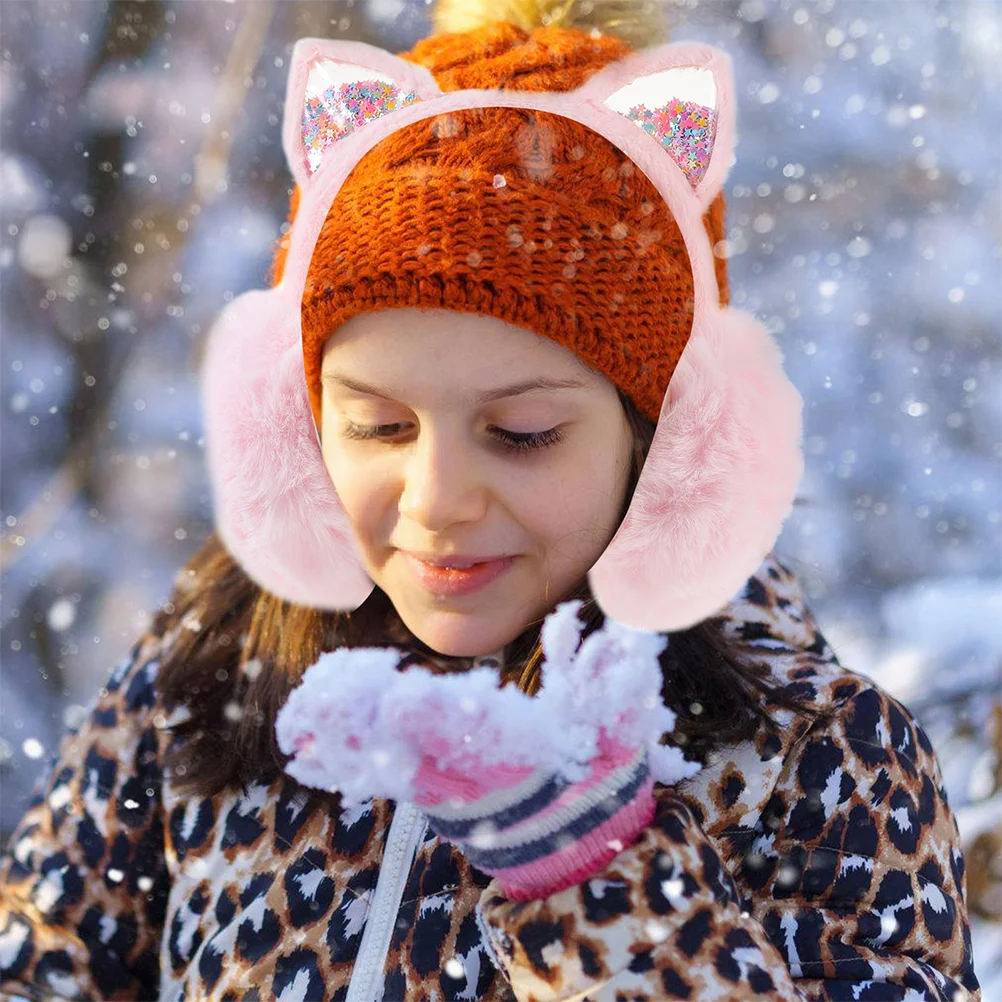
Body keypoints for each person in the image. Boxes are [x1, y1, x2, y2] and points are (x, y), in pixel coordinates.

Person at [0, 2, 981, 1000]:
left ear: (660, 442)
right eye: (379, 427)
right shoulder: (202, 677)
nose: (437, 501)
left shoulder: (821, 754)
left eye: (521, 436)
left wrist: (596, 885)